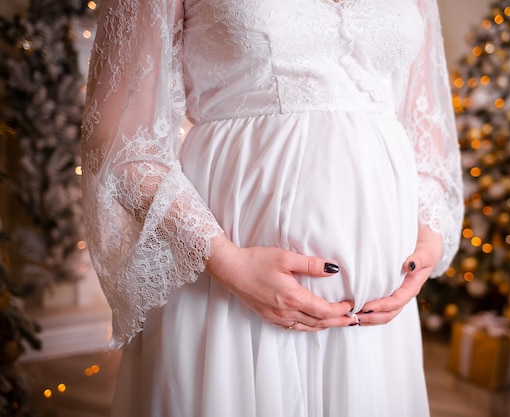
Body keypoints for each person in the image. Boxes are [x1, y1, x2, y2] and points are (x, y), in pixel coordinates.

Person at [81, 0, 463, 416]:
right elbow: (117, 136)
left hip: (375, 321)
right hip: (228, 294)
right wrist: (229, 265)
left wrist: (426, 240)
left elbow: (428, 130)